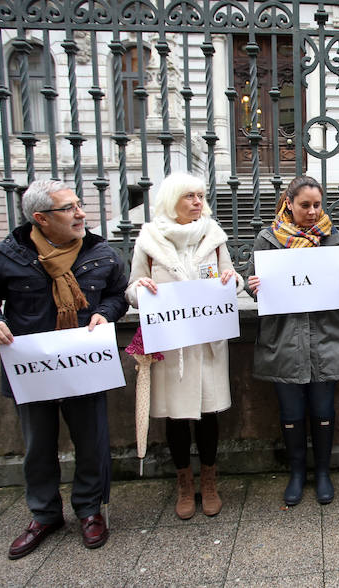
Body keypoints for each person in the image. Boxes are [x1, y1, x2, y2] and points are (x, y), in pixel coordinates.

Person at [0, 179, 128, 559]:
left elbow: (118, 293)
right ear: (40, 218)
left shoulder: (100, 252)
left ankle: (89, 510)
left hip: (84, 365)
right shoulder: (6, 255)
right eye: (68, 208)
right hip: (32, 369)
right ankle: (44, 513)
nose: (81, 213)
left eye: (79, 204)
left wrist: (105, 313)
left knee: (92, 442)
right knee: (38, 445)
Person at [126, 171, 243, 520]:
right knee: (176, 418)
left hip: (205, 343)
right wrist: (141, 289)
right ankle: (183, 483)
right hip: (171, 346)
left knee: (208, 414)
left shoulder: (213, 235)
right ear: (172, 198)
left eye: (200, 195)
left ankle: (209, 481)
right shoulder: (149, 239)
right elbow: (132, 289)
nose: (198, 202)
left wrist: (230, 279)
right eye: (190, 196)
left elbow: (231, 277)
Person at [245, 176, 339, 506]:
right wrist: (254, 285)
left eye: (317, 205)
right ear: (289, 204)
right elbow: (253, 283)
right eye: (304, 205)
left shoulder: (334, 240)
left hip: (326, 340)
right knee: (291, 411)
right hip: (284, 341)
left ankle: (322, 472)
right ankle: (297, 473)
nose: (312, 211)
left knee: (323, 409)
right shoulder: (268, 240)